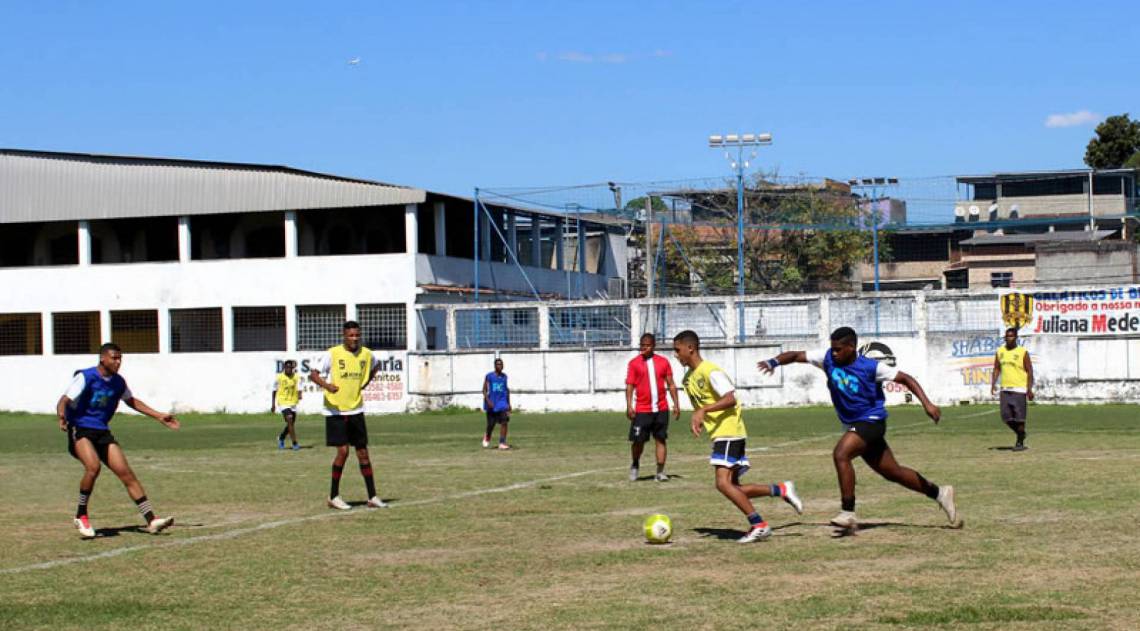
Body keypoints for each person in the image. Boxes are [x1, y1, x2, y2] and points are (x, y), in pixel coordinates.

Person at [758, 326, 962, 532]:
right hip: (855, 425)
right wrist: (773, 362)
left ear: (851, 347)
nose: (834, 353)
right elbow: (795, 355)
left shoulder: (871, 367)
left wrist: (927, 404)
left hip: (872, 421)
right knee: (894, 473)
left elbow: (906, 379)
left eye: (838, 349)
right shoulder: (827, 358)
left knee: (841, 454)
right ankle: (939, 493)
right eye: (832, 348)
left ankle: (847, 512)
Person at [673, 330, 803, 543]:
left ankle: (758, 524)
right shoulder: (688, 378)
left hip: (730, 431)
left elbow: (730, 399)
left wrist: (703, 411)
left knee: (722, 484)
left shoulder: (711, 372)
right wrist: (700, 417)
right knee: (735, 488)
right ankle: (781, 489)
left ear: (690, 348)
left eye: (677, 350)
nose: (676, 355)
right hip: (721, 433)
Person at [56, 343, 178, 539]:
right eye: (114, 358)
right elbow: (64, 400)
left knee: (126, 474)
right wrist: (62, 415)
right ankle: (81, 515)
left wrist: (158, 415)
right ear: (102, 358)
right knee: (93, 467)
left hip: (102, 431)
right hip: (80, 428)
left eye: (120, 358)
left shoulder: (118, 382)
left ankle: (151, 520)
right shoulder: (86, 377)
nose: (118, 361)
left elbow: (131, 401)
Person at [309, 321, 386, 510]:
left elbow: (377, 366)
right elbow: (313, 374)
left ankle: (372, 496)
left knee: (363, 454)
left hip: (356, 410)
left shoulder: (366, 354)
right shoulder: (333, 353)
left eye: (357, 335)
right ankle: (333, 496)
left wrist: (364, 384)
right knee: (343, 452)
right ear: (344, 335)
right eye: (351, 335)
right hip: (336, 410)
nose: (354, 339)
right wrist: (328, 386)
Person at [625, 333, 680, 481]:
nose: (644, 348)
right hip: (642, 410)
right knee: (638, 441)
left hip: (661, 408)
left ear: (653, 346)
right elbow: (630, 386)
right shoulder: (634, 363)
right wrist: (629, 405)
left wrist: (676, 404)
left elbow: (671, 384)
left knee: (661, 439)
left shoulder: (663, 362)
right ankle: (635, 464)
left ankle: (660, 472)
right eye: (642, 345)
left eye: (647, 345)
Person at [990, 327, 1033, 451]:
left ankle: (1019, 442)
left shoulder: (1022, 352)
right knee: (1005, 417)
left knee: (1019, 418)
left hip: (1019, 389)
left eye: (1011, 336)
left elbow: (1029, 370)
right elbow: (997, 368)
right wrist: (993, 384)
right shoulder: (1000, 351)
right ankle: (1021, 433)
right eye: (1007, 336)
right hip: (1005, 389)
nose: (1008, 338)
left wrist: (1029, 388)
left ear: (1016, 338)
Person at [482, 358, 512, 450]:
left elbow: (506, 390)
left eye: (501, 364)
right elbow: (484, 390)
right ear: (495, 366)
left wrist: (509, 404)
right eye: (498, 364)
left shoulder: (504, 377)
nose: (500, 366)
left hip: (502, 403)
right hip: (492, 403)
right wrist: (488, 400)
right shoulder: (489, 376)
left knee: (504, 421)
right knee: (491, 424)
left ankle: (502, 443)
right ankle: (487, 435)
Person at [273, 360, 302, 450]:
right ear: (284, 368)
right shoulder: (279, 377)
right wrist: (273, 404)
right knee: (289, 419)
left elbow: (299, 387)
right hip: (283, 402)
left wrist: (300, 394)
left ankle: (281, 437)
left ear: (292, 368)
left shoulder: (296, 377)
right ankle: (294, 443)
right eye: (287, 367)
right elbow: (274, 390)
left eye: (290, 367)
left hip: (293, 402)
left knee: (291, 424)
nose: (289, 369)